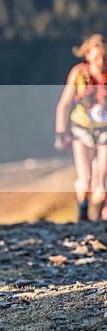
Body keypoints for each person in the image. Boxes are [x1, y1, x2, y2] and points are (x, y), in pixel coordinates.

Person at [54, 34, 107, 222]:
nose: (100, 62)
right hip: (81, 129)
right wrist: (60, 132)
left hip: (104, 131)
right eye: (97, 57)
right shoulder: (79, 74)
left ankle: (97, 219)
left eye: (104, 57)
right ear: (88, 56)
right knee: (85, 179)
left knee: (101, 181)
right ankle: (83, 213)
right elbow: (64, 103)